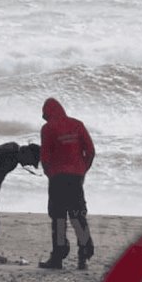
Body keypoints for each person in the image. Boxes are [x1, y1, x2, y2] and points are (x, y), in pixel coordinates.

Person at [38, 97, 95, 270]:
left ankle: (58, 257)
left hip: (57, 179)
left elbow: (45, 157)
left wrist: (49, 175)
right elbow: (90, 151)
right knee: (78, 216)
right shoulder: (77, 124)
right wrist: (82, 170)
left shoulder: (48, 128)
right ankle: (84, 254)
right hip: (76, 177)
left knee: (59, 218)